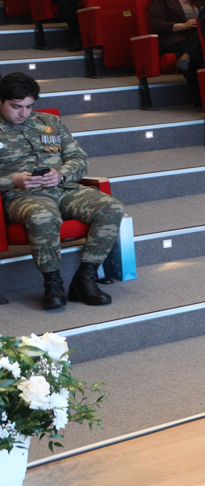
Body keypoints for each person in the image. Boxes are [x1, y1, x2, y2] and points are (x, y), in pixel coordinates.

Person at [0, 72, 126, 309]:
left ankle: (84, 279)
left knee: (112, 207)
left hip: (63, 188)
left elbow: (78, 158)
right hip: (21, 195)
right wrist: (12, 181)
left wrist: (61, 174)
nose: (23, 113)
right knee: (43, 216)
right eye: (16, 106)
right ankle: (53, 284)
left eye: (29, 107)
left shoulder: (50, 122)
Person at [148, 0, 205, 90]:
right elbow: (156, 23)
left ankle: (187, 56)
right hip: (176, 39)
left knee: (201, 35)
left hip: (197, 38)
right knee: (201, 44)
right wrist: (183, 26)